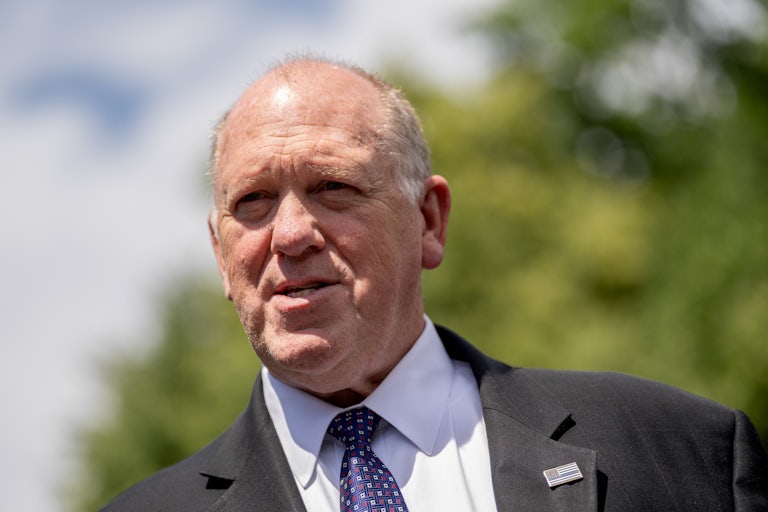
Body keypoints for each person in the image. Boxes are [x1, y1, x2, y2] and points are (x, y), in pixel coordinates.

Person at [101, 57, 768, 511]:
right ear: (222, 257)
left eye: (333, 187)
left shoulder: (682, 453)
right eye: (253, 202)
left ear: (427, 220)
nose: (291, 233)